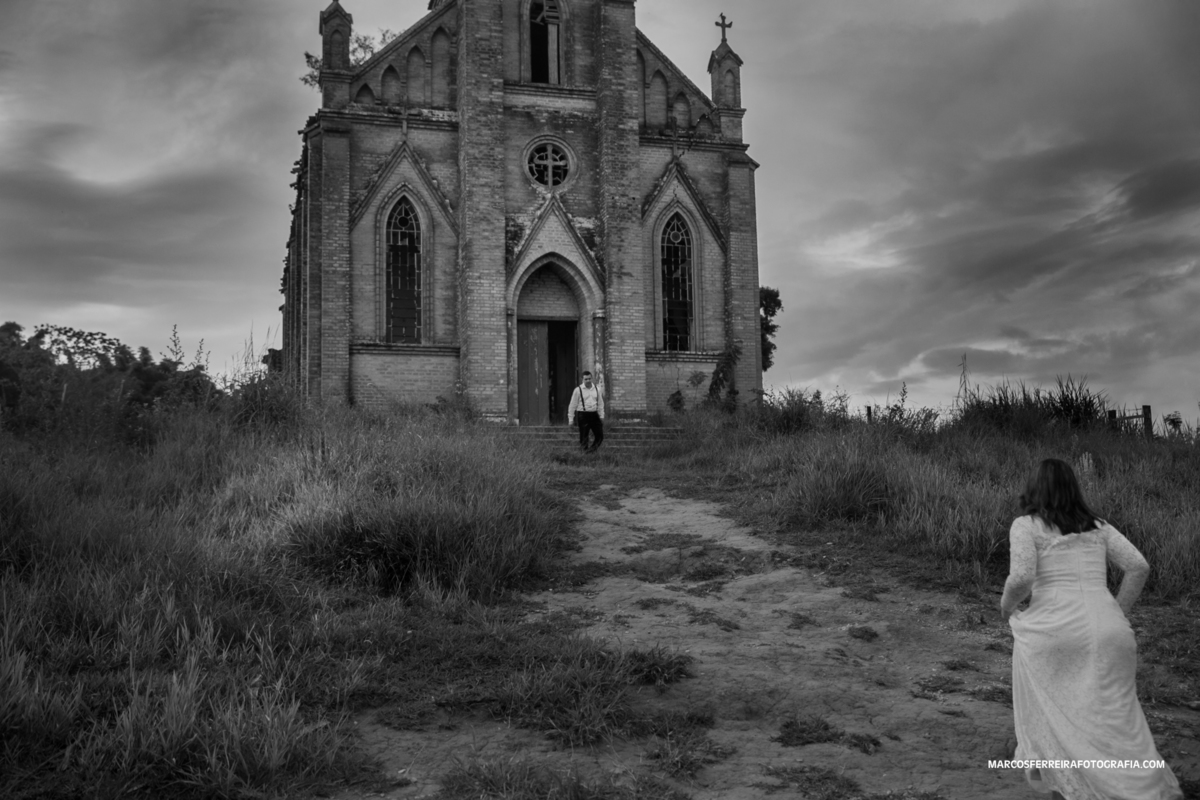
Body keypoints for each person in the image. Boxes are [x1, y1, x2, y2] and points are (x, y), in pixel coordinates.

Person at [1000, 458, 1182, 800]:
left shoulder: (1026, 525)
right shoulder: (1099, 527)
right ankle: (1137, 789)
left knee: (1058, 713)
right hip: (1109, 629)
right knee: (1116, 715)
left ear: (1034, 489)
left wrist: (1007, 606)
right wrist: (1116, 612)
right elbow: (1138, 566)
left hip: (1054, 630)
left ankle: (1071, 788)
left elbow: (1022, 576)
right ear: (1074, 488)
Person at [567, 370, 604, 452]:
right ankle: (585, 454)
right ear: (582, 379)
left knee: (600, 436)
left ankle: (589, 452)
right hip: (583, 415)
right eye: (586, 379)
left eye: (589, 378)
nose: (588, 380)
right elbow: (572, 405)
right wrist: (571, 419)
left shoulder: (597, 389)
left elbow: (600, 403)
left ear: (592, 378)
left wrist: (601, 415)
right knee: (584, 438)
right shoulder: (578, 390)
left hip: (594, 414)